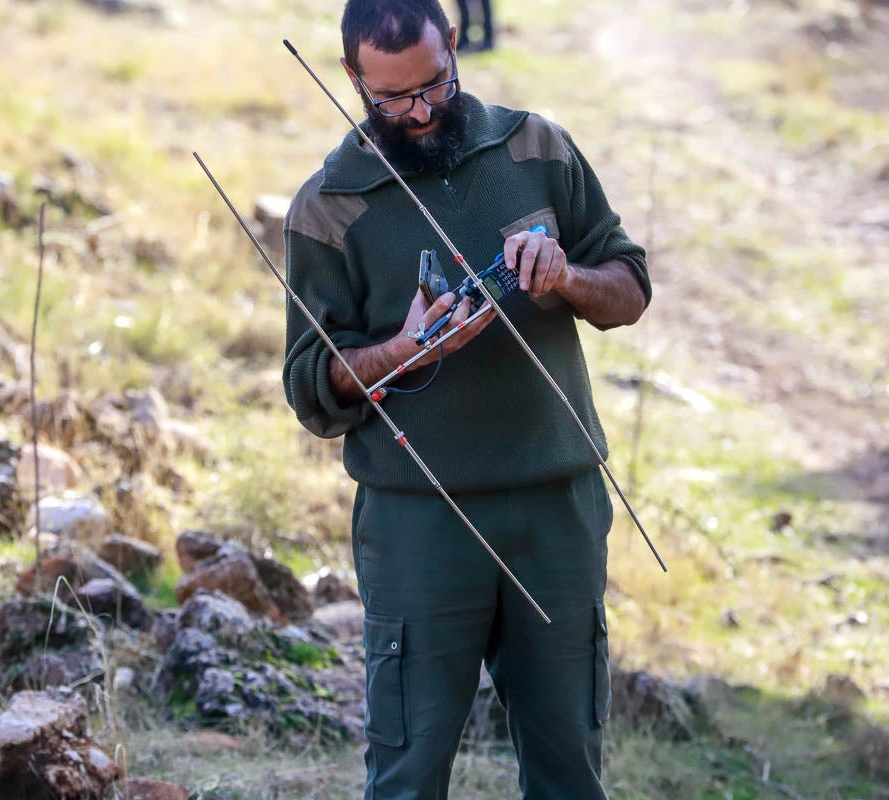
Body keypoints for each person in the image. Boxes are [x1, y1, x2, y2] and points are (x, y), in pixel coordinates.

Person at [281, 1, 651, 797]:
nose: (418, 114)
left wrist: (568, 277)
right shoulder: (326, 207)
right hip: (420, 522)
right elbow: (311, 386)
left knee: (569, 775)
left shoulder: (537, 147)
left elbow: (629, 288)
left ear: (453, 46)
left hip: (556, 506)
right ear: (352, 79)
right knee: (408, 778)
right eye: (391, 100)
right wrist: (403, 352)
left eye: (433, 85)